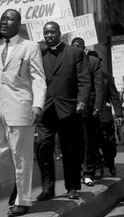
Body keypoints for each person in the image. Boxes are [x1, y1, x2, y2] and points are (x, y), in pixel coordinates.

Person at [0, 9, 46, 217]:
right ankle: (15, 181)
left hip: (20, 108)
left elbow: (38, 78)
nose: (4, 22)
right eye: (2, 19)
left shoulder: (30, 47)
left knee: (22, 156)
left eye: (9, 18)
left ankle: (23, 200)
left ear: (18, 23)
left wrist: (38, 104)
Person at [35, 22, 90, 202]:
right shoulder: (38, 54)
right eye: (46, 32)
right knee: (43, 148)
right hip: (46, 109)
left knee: (70, 150)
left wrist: (82, 100)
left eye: (52, 32)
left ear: (60, 33)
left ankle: (72, 186)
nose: (49, 35)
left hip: (69, 109)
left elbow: (84, 80)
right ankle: (47, 188)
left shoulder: (75, 53)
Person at [71, 38, 103, 187]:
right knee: (73, 141)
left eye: (78, 46)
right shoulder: (68, 61)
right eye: (73, 46)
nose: (76, 48)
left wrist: (97, 106)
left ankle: (88, 172)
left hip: (87, 108)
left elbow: (98, 87)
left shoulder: (93, 62)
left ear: (84, 49)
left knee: (88, 140)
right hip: (70, 106)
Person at [90, 56, 123, 178]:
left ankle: (110, 162)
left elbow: (114, 96)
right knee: (93, 143)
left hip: (105, 116)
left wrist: (119, 114)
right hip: (90, 116)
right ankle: (98, 167)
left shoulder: (106, 78)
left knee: (109, 142)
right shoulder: (84, 76)